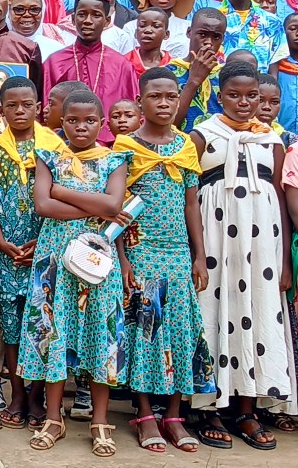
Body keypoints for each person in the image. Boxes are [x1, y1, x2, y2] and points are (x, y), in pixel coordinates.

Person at [19, 89, 130, 457]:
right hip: (54, 259)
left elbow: (114, 203)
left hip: (97, 262)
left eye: (89, 121)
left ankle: (100, 421)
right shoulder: (47, 155)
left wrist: (62, 192)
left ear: (102, 123)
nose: (81, 127)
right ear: (60, 121)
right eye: (72, 120)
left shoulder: (115, 159)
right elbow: (42, 205)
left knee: (101, 334)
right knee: (55, 334)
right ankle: (54, 417)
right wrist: (94, 210)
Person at [190, 61, 295, 450]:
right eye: (234, 94)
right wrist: (196, 253)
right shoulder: (204, 135)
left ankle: (246, 410)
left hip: (261, 247)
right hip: (216, 244)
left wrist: (284, 260)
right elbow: (190, 195)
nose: (244, 102)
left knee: (256, 314)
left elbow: (283, 202)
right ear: (220, 96)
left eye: (252, 95)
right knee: (213, 315)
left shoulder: (272, 140)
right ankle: (208, 408)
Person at [112, 67, 211, 453]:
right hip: (142, 251)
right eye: (156, 96)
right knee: (146, 330)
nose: (165, 103)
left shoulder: (185, 146)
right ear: (141, 102)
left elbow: (191, 205)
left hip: (177, 252)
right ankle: (144, 414)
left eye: (171, 96)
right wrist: (123, 260)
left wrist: (200, 255)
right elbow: (116, 209)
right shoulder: (125, 147)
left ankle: (173, 414)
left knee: (181, 329)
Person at [0, 77, 64, 429]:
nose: (19, 111)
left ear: (38, 107)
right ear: (1, 109)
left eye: (26, 105)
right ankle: (16, 391)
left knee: (44, 323)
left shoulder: (54, 147)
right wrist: (0, 241)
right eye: (11, 105)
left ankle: (36, 395)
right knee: (11, 324)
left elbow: (61, 195)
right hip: (8, 250)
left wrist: (42, 243)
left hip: (45, 251)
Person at [43, 0, 138, 145]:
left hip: (111, 147)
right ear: (73, 19)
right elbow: (45, 114)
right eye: (82, 14)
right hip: (63, 146)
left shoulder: (122, 66)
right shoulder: (54, 62)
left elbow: (133, 114)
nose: (88, 21)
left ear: (107, 21)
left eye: (96, 15)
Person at [220, 0, 287, 72]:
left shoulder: (272, 22)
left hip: (259, 88)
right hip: (219, 87)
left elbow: (273, 68)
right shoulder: (213, 19)